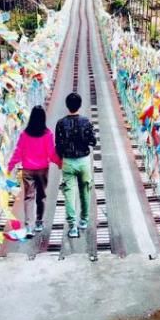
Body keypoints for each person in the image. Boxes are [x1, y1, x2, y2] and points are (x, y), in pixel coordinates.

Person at [8, 106, 61, 237]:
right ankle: (39, 221)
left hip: (28, 170)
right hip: (42, 170)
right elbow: (51, 153)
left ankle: (28, 226)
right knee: (41, 196)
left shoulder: (24, 135)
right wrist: (60, 163)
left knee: (28, 197)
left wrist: (10, 166)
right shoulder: (48, 134)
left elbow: (18, 152)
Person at [55, 92, 97, 239]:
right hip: (84, 160)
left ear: (67, 105)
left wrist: (61, 159)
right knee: (85, 190)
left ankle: (72, 227)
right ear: (80, 105)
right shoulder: (85, 122)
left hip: (68, 161)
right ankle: (84, 221)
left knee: (69, 194)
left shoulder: (60, 123)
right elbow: (93, 141)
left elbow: (58, 146)